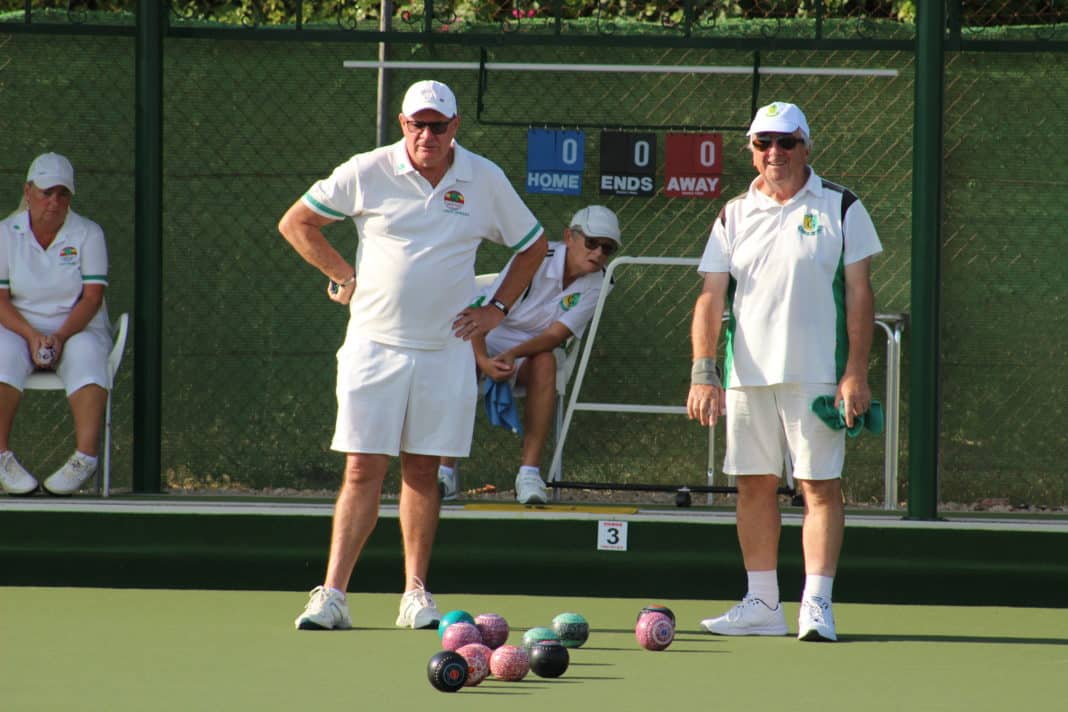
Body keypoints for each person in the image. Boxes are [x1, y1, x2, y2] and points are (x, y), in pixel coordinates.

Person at [278, 80, 547, 631]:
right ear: (402, 125)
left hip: (445, 352)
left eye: (438, 126)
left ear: (455, 128)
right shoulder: (367, 169)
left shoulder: (484, 178)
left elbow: (532, 245)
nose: (427, 135)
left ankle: (415, 594)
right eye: (417, 125)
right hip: (373, 346)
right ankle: (331, 595)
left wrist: (496, 310)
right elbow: (296, 223)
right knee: (361, 469)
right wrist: (344, 275)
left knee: (423, 470)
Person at [687, 102, 882, 642]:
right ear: (751, 150)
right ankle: (763, 602)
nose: (774, 153)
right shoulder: (732, 213)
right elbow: (711, 296)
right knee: (753, 485)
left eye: (786, 142)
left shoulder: (843, 206)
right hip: (746, 376)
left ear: (806, 147)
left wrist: (856, 374)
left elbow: (861, 294)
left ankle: (816, 604)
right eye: (763, 143)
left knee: (819, 486)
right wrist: (704, 372)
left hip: (820, 374)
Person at [438, 205, 622, 505]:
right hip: (488, 336)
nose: (599, 253)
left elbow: (554, 337)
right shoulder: (535, 257)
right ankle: (444, 474)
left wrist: (513, 354)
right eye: (592, 242)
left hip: (531, 352)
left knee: (547, 361)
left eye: (607, 248)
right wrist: (484, 359)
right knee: (465, 360)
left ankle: (529, 474)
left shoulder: (602, 281)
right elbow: (481, 316)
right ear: (569, 237)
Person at [0, 152, 111, 496]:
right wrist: (32, 335)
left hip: (77, 327)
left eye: (62, 193)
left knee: (90, 353)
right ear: (28, 191)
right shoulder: (4, 234)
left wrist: (60, 337)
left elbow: (91, 298)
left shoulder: (88, 233)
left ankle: (85, 459)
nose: (54, 201)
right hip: (18, 328)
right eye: (46, 192)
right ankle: (1, 457)